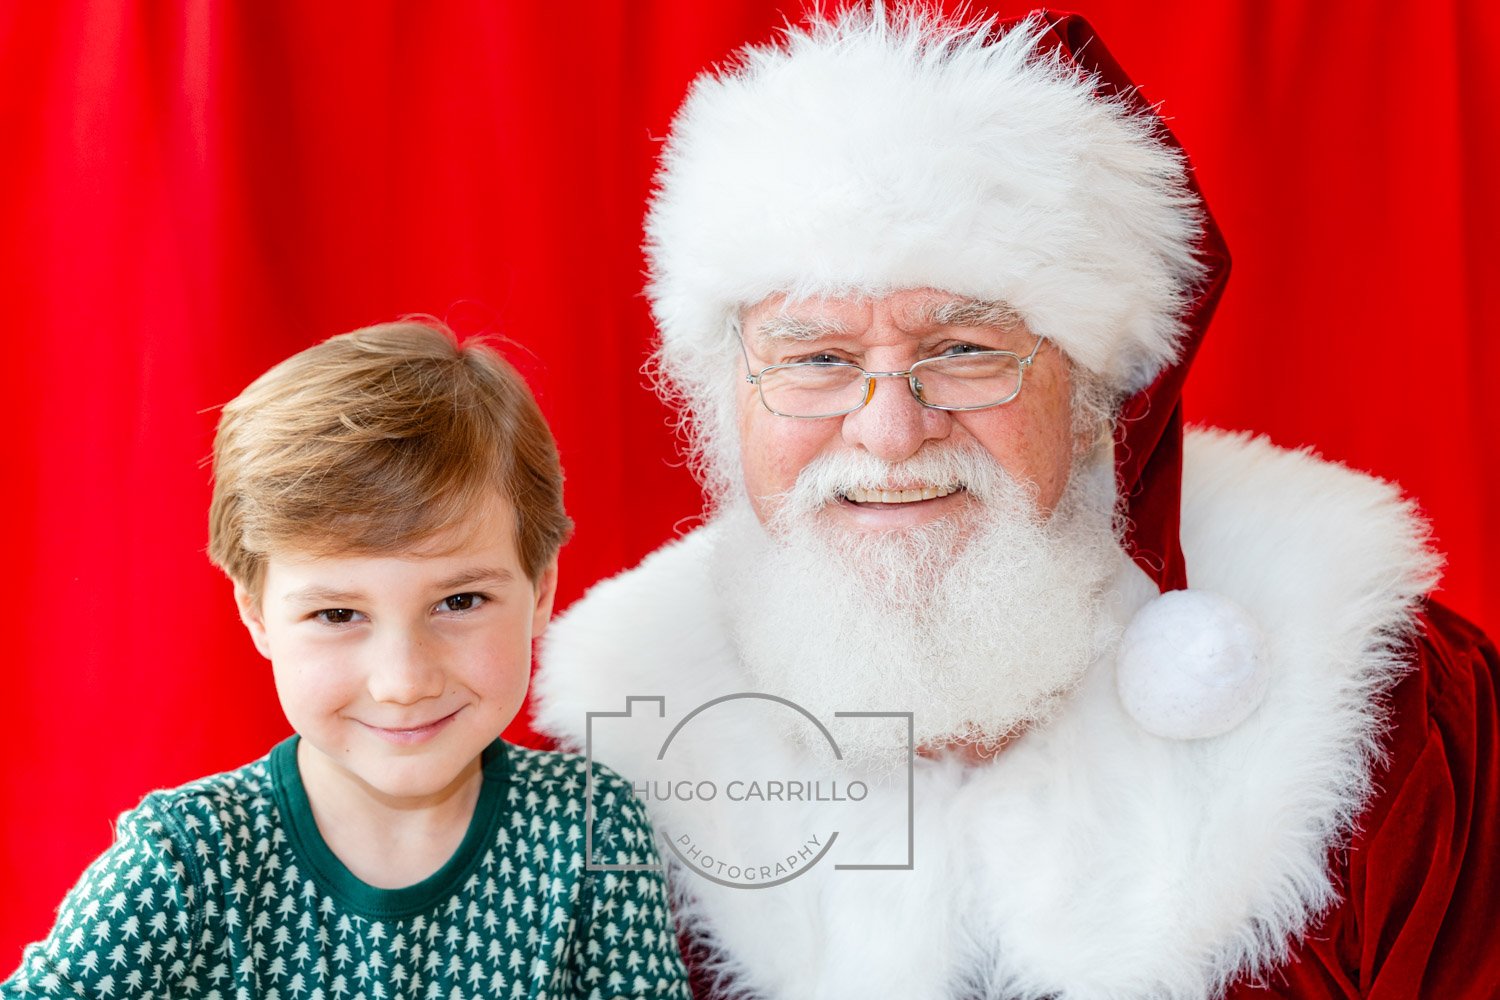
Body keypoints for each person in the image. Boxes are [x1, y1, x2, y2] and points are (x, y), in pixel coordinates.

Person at [532, 6, 1499, 999]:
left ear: (1092, 395)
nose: (892, 432)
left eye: (964, 351)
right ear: (723, 400)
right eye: (817, 359)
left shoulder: (1398, 723)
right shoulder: (615, 776)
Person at [2, 321, 690, 999]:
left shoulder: (591, 828)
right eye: (337, 615)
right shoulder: (187, 860)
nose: (403, 682)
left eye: (460, 601)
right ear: (255, 613)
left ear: (541, 591)